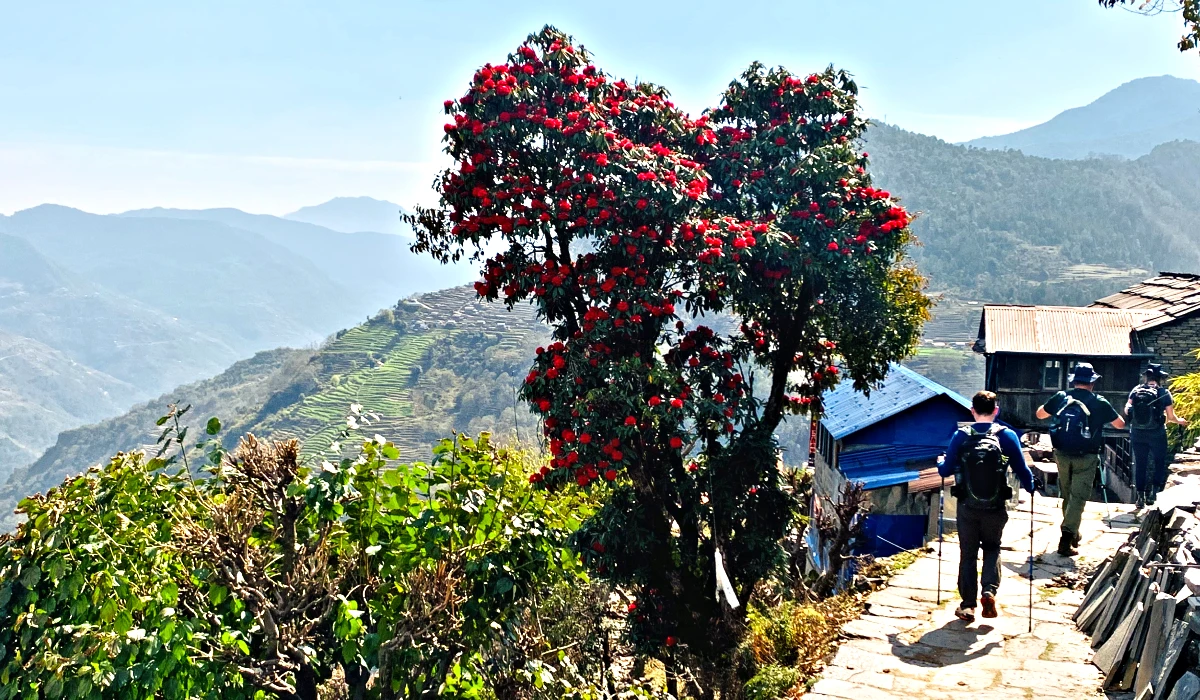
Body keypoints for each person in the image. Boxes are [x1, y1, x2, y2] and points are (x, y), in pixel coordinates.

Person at [940, 390, 1035, 622]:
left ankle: (968, 606)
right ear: (996, 411)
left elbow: (945, 471)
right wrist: (1032, 487)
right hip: (995, 506)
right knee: (992, 548)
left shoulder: (961, 436)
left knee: (968, 554)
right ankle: (989, 592)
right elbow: (1023, 471)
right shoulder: (1007, 436)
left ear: (972, 411)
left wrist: (941, 462)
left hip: (967, 506)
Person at [1035, 362, 1124, 557]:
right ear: (1092, 383)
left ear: (1074, 381)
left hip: (1061, 453)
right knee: (1079, 496)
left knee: (1068, 494)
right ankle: (1066, 539)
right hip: (1087, 455)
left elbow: (1040, 414)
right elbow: (1120, 425)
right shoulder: (1099, 402)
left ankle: (1073, 531)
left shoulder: (1061, 397)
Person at [1125, 363, 1188, 507]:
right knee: (1159, 462)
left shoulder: (1136, 390)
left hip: (1137, 432)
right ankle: (1153, 494)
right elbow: (1171, 417)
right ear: (1160, 378)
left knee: (1141, 463)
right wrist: (1180, 421)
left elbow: (1127, 409)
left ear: (1146, 377)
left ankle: (1140, 497)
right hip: (1157, 433)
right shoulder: (1163, 393)